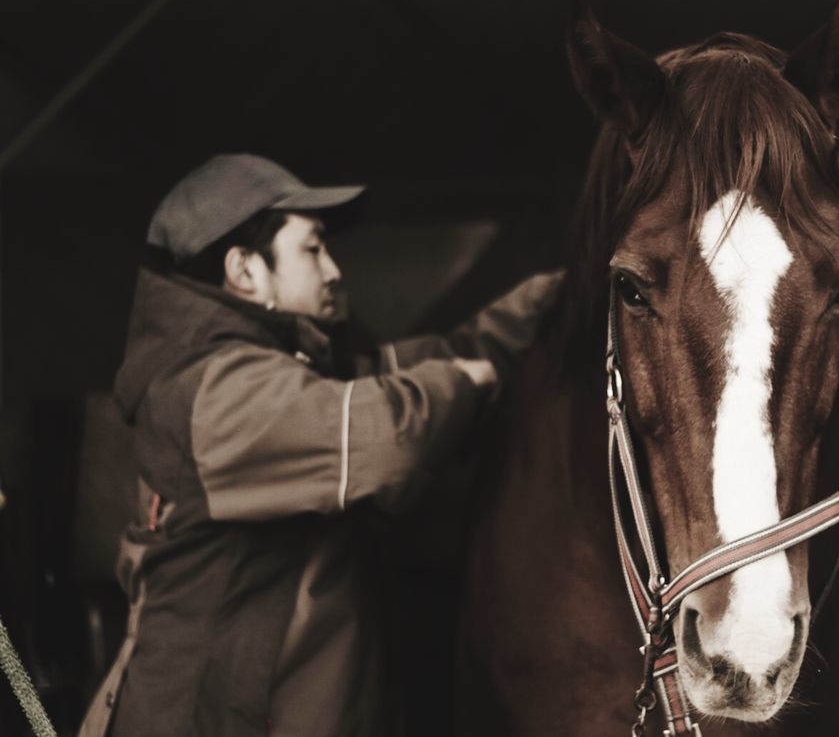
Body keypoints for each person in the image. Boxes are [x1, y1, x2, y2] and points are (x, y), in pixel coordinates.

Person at [78, 154, 562, 737]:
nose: (333, 270)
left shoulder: (291, 373)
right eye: (312, 249)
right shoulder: (216, 391)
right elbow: (387, 436)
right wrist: (465, 383)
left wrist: (554, 296)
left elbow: (418, 366)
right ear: (245, 270)